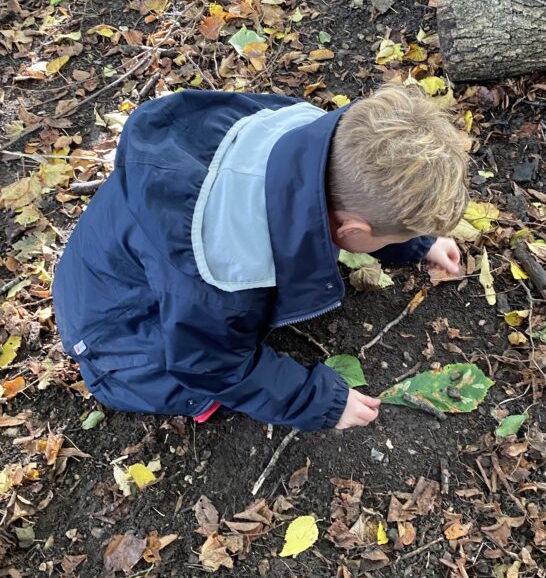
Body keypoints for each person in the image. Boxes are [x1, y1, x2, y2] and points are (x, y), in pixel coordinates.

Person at [52, 85, 468, 432]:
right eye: (407, 232)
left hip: (136, 251)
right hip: (113, 331)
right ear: (353, 233)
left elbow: (349, 210)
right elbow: (208, 363)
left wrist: (418, 243)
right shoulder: (221, 275)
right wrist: (317, 401)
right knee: (191, 377)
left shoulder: (310, 135)